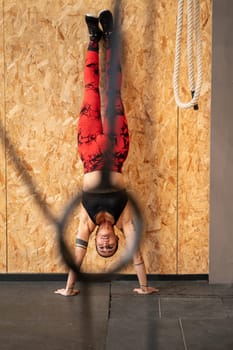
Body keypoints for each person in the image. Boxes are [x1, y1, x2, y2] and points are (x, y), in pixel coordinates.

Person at [55, 9, 158, 296]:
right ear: (114, 239)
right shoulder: (124, 219)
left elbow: (76, 260)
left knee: (91, 89)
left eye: (101, 247)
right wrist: (144, 286)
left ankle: (93, 39)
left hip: (89, 152)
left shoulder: (87, 222)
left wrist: (68, 289)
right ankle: (109, 39)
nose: (104, 244)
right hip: (116, 150)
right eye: (109, 246)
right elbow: (136, 254)